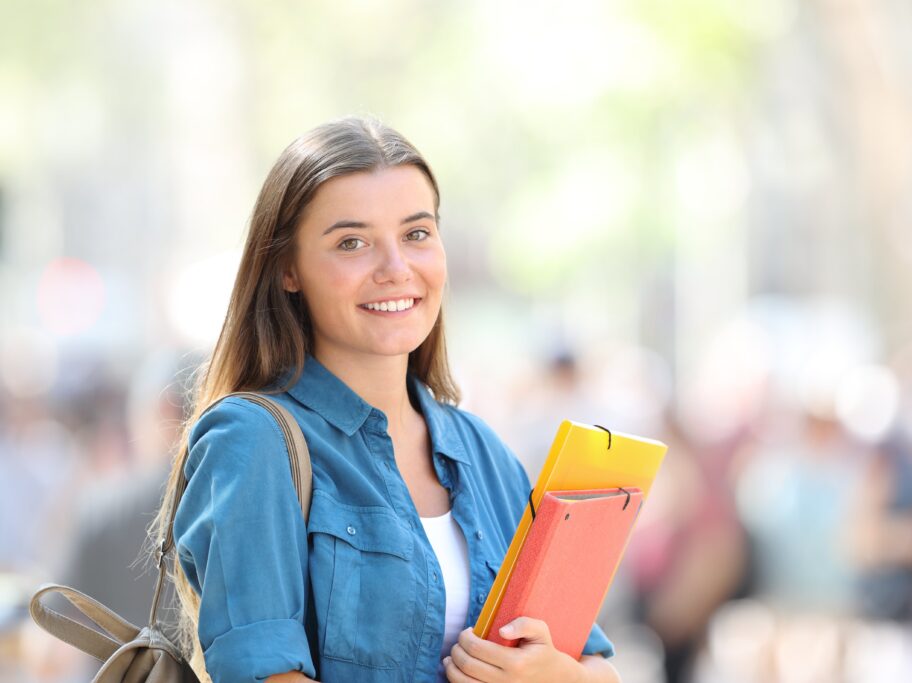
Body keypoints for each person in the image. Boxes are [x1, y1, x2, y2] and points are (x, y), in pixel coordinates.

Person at [148, 118, 619, 683]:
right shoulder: (251, 441)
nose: (396, 269)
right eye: (352, 242)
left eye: (417, 234)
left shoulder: (482, 451)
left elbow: (592, 659)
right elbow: (263, 675)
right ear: (287, 270)